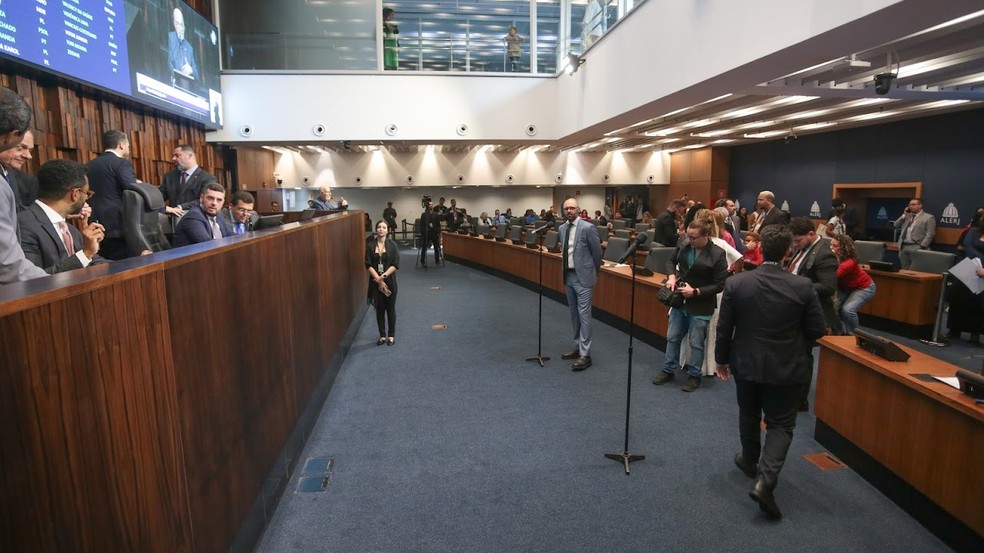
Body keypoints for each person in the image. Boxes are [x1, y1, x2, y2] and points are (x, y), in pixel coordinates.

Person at [715, 224, 826, 520]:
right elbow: (817, 330)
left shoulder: (737, 284)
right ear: (788, 251)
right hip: (787, 366)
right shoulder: (802, 286)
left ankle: (750, 460)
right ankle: (764, 480)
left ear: (761, 248)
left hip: (746, 362)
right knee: (779, 425)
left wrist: (721, 360)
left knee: (748, 412)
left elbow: (725, 328)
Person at [652, 219, 728, 391]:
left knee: (696, 343)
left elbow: (719, 284)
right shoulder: (684, 244)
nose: (689, 240)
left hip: (700, 305)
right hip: (680, 301)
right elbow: (670, 261)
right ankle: (668, 370)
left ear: (706, 236)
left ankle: (695, 375)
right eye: (688, 236)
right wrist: (671, 276)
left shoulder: (717, 253)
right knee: (672, 338)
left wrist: (696, 291)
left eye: (694, 237)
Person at [18, 159, 107, 274]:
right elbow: (34, 281)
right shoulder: (24, 225)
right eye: (87, 193)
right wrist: (86, 253)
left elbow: (93, 261)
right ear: (75, 194)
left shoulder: (71, 230)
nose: (86, 199)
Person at [558, 197, 602, 371]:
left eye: (572, 208)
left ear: (579, 209)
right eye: (566, 208)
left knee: (584, 315)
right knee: (574, 314)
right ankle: (577, 347)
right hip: (568, 276)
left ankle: (586, 354)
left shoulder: (588, 228)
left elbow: (597, 253)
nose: (569, 211)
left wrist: (593, 272)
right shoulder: (562, 228)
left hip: (583, 278)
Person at [86, 129, 139, 260]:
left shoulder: (89, 165)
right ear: (121, 145)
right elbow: (133, 191)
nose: (128, 148)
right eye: (128, 145)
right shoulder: (122, 163)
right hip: (119, 226)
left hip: (95, 225)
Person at [830, 235, 876, 335]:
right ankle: (839, 331)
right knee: (831, 307)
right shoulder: (833, 258)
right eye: (831, 245)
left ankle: (852, 335)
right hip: (845, 287)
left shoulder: (849, 262)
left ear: (844, 248)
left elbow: (832, 276)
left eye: (835, 246)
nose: (831, 248)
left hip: (863, 288)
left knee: (848, 310)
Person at [366, 219, 399, 345]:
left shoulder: (392, 245)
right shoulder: (370, 245)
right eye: (379, 227)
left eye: (384, 227)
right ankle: (382, 335)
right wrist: (379, 281)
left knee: (390, 309)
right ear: (376, 229)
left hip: (389, 281)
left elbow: (395, 264)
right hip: (375, 282)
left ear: (387, 230)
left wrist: (383, 277)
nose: (381, 229)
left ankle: (391, 335)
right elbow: (368, 264)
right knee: (379, 309)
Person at [160, 144, 216, 215]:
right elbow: (160, 195)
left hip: (195, 219)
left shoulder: (207, 178)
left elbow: (203, 200)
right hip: (172, 221)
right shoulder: (170, 176)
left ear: (189, 156)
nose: (173, 159)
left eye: (177, 155)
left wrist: (180, 207)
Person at [893, 197, 936, 269]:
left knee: (916, 269)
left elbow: (930, 234)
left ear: (920, 205)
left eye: (913, 204)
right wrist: (904, 215)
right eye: (910, 205)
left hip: (917, 246)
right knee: (904, 268)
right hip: (903, 246)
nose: (911, 206)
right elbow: (895, 225)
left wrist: (922, 246)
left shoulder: (928, 217)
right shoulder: (907, 216)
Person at [0, 129, 37, 211]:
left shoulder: (26, 182)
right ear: (3, 142)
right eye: (20, 148)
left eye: (30, 150)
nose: (28, 156)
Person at [168, 8, 199, 81]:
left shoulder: (189, 48)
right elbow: (168, 62)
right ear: (173, 25)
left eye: (182, 25)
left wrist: (191, 70)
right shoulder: (169, 37)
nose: (180, 28)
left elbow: (197, 76)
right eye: (177, 24)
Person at [419, 200, 442, 267]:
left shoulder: (436, 214)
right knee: (424, 248)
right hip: (427, 234)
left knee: (436, 248)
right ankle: (422, 261)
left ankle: (437, 261)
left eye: (432, 204)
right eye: (430, 204)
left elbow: (438, 225)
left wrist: (438, 231)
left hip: (434, 233)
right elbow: (421, 225)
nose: (431, 205)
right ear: (428, 206)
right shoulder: (424, 214)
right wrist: (423, 232)